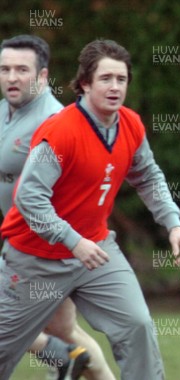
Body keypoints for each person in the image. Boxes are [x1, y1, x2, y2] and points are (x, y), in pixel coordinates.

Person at [0, 38, 180, 380]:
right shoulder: (60, 130)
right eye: (106, 79)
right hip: (34, 259)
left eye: (121, 79)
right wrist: (72, 240)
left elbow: (147, 176)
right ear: (85, 82)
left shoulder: (130, 124)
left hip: (97, 251)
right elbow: (29, 197)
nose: (115, 87)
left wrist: (173, 223)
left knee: (137, 325)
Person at [0, 34, 114, 380]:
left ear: (43, 75)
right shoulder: (6, 111)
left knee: (58, 332)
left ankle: (58, 356)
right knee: (65, 331)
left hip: (43, 248)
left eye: (22, 69)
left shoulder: (56, 120)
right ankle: (60, 356)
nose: (12, 77)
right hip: (15, 240)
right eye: (5, 69)